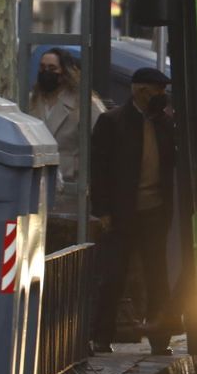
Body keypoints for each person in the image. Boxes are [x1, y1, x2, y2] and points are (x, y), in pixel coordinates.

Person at [90, 67, 177, 355]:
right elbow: (99, 169)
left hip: (155, 211)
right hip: (121, 214)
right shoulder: (112, 122)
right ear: (141, 91)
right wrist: (103, 210)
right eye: (157, 91)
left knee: (157, 276)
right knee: (113, 276)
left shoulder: (165, 123)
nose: (162, 96)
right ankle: (101, 336)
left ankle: (160, 339)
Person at [29, 48, 104, 191]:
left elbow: (102, 142)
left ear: (65, 72)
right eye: (42, 67)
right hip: (36, 182)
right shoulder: (31, 101)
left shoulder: (85, 104)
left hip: (71, 184)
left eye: (52, 68)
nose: (46, 72)